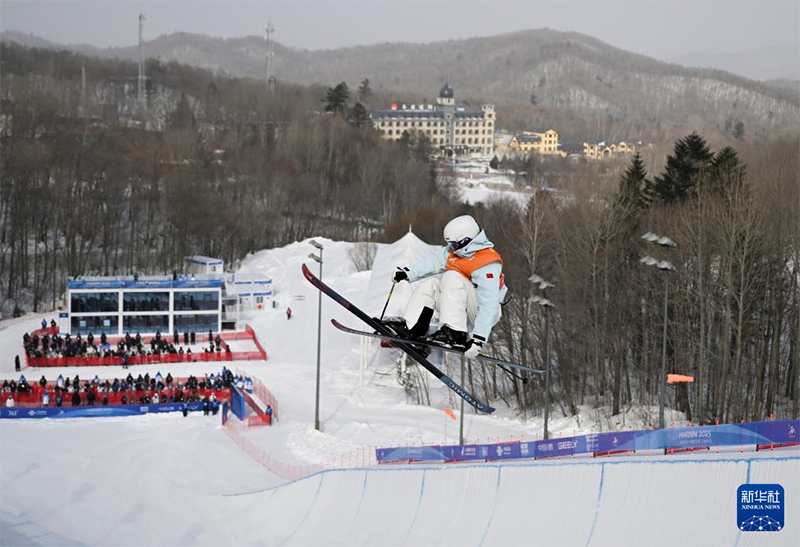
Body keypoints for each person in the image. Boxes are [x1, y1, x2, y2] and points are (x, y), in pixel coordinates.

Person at [387, 215, 508, 358]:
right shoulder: (456, 252)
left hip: (482, 312)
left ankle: (455, 333)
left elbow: (489, 303)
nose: (452, 248)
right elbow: (432, 262)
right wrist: (406, 273)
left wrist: (479, 339)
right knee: (432, 284)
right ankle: (413, 328)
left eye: (455, 245)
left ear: (466, 241)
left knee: (452, 276)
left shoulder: (486, 263)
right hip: (463, 303)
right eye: (450, 244)